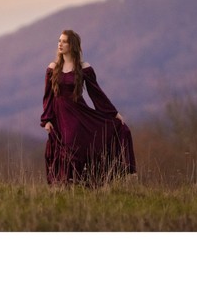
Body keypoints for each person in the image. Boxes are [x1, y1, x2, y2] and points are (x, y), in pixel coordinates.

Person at [40, 29, 136, 186]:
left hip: (78, 114)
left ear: (72, 45)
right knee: (63, 149)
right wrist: (47, 119)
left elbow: (96, 94)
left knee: (73, 145)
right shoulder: (53, 68)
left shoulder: (84, 68)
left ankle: (80, 182)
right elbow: (48, 96)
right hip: (59, 115)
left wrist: (113, 113)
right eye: (59, 41)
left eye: (64, 41)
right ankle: (65, 185)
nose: (60, 44)